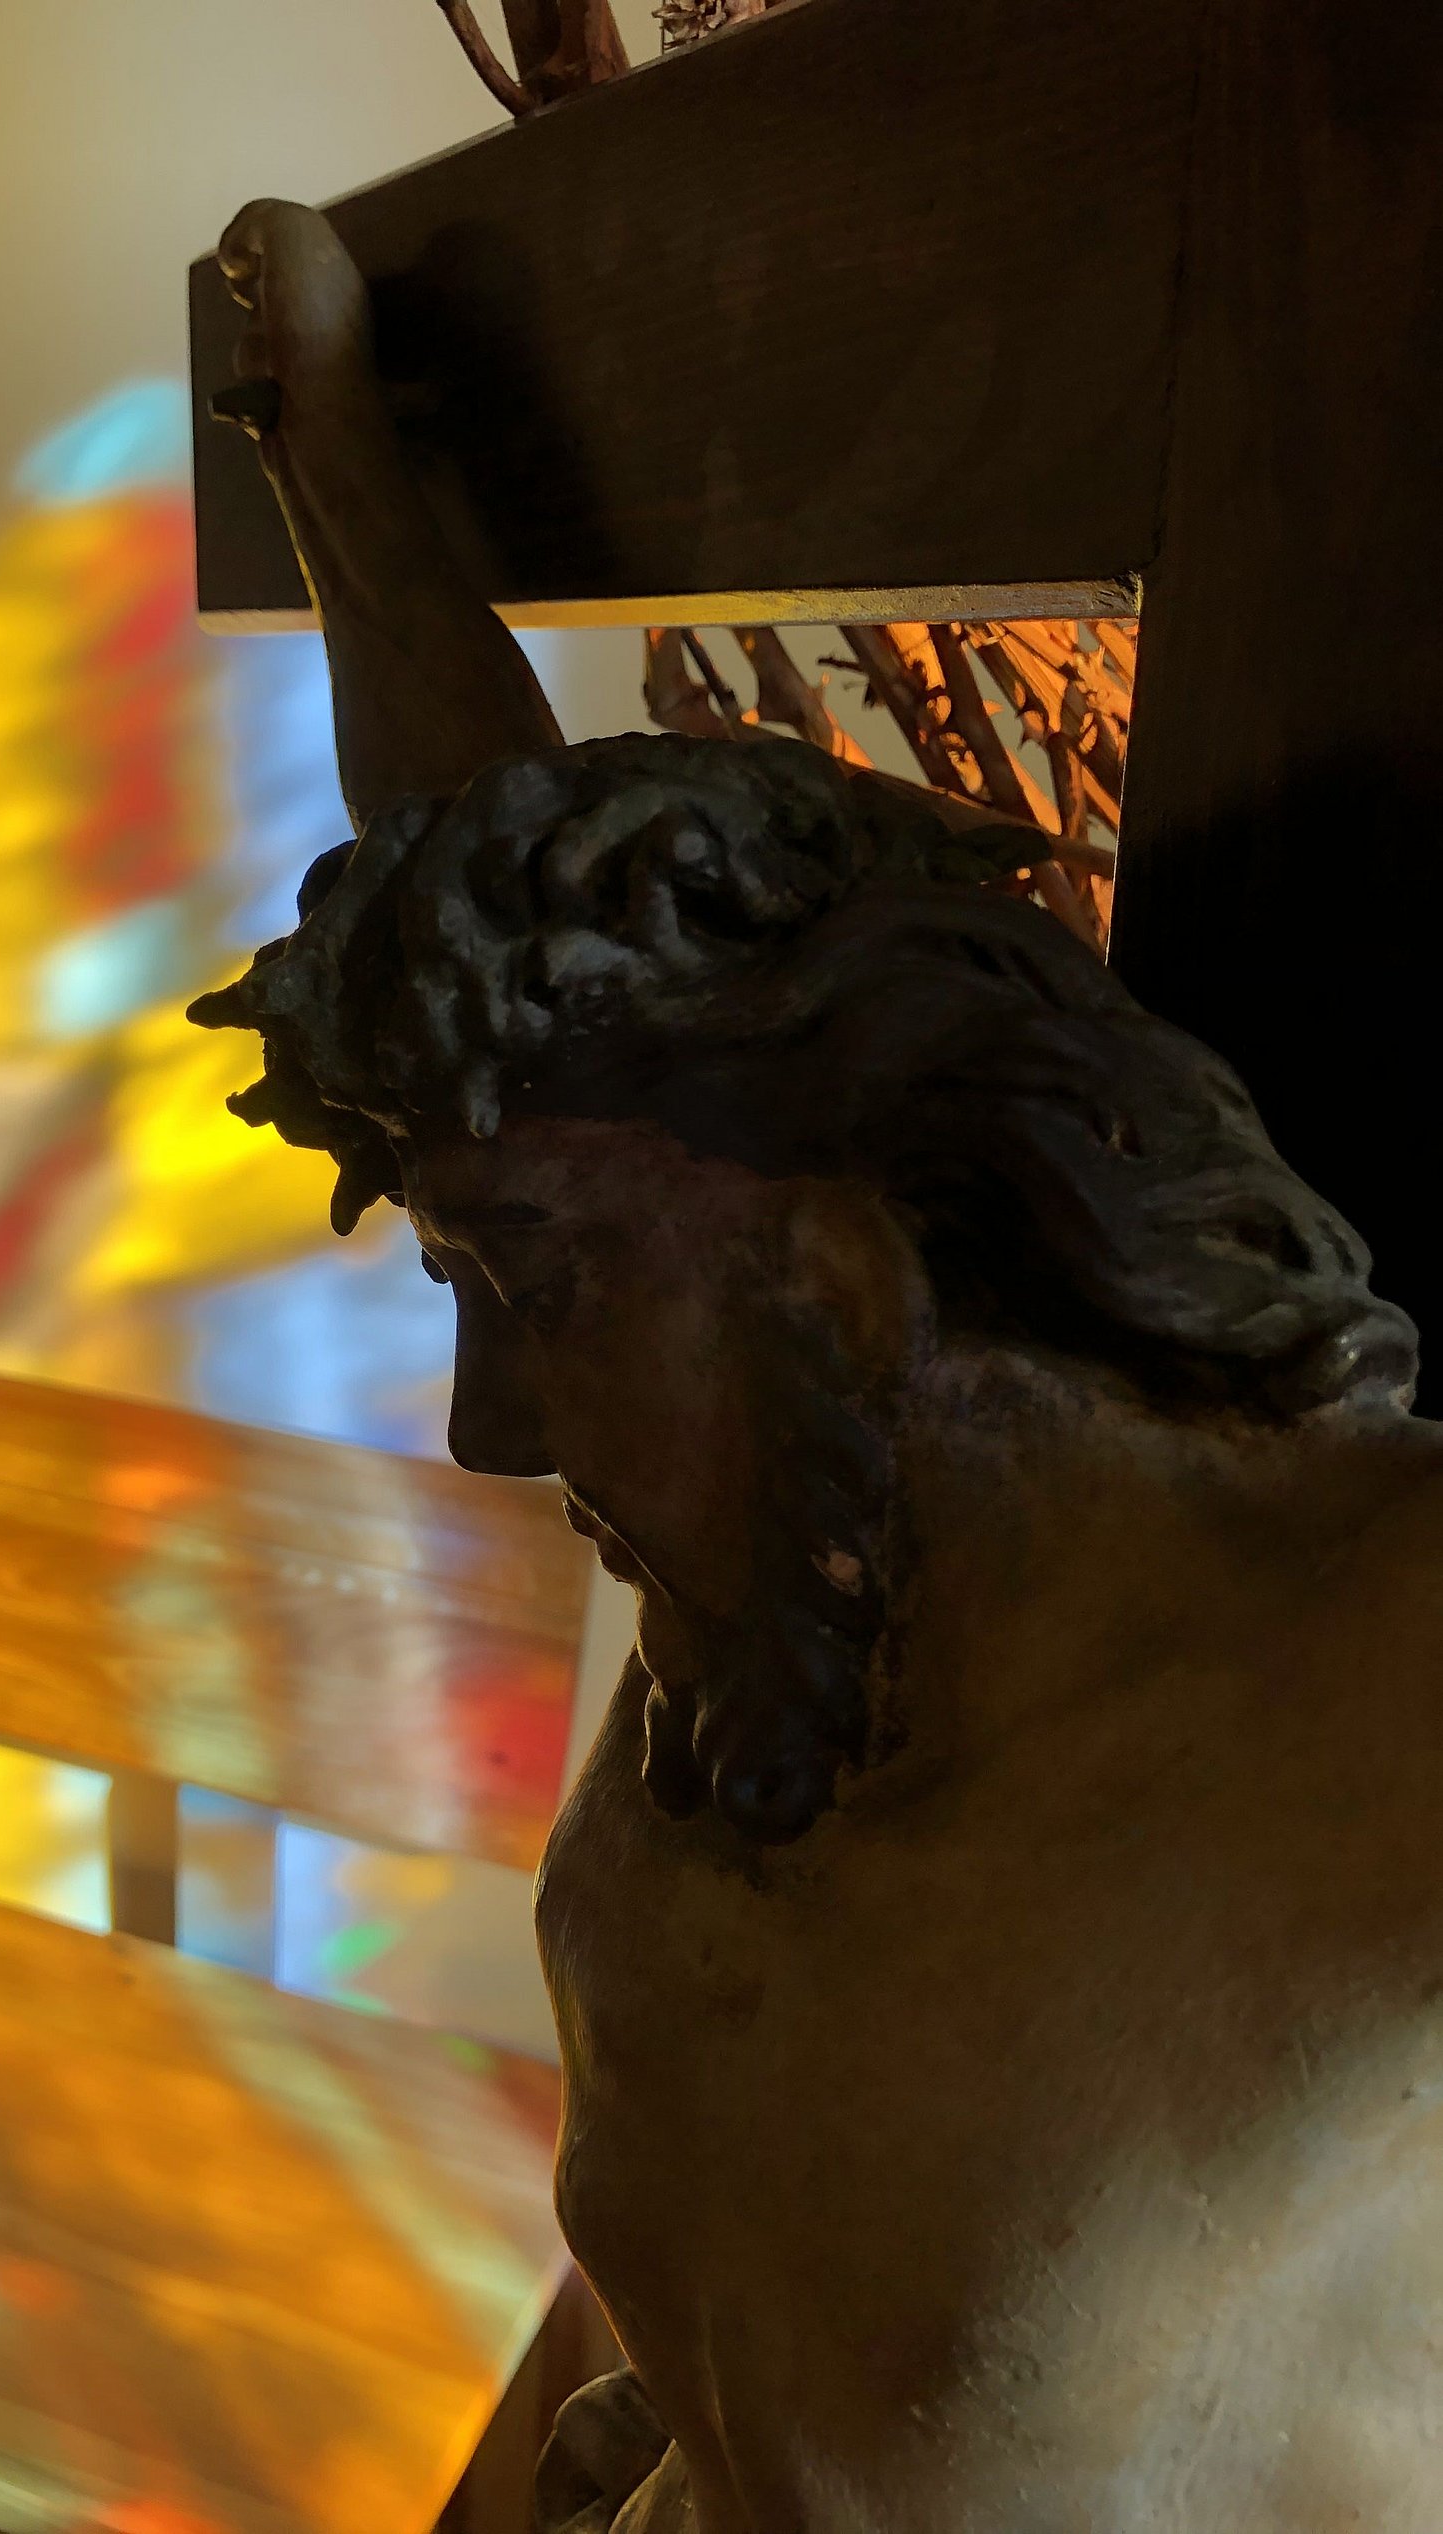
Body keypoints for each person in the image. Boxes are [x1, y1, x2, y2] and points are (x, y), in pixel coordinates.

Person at [197, 198, 1443, 2531]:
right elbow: (560, 1012)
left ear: (842, 1268)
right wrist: (342, 472)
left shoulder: (1374, 1690)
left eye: (532, 1289)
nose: (484, 1429)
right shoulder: (775, 1647)